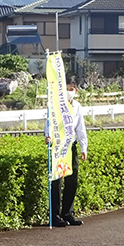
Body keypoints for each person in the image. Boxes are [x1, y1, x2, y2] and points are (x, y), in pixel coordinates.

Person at [45, 81, 88, 227]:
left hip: (71, 146)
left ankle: (67, 213)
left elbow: (80, 127)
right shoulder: (57, 104)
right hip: (58, 145)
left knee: (72, 180)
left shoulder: (77, 106)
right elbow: (50, 121)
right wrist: (48, 136)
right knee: (57, 180)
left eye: (70, 89)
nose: (68, 91)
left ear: (75, 90)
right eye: (66, 89)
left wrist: (84, 147)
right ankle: (55, 215)